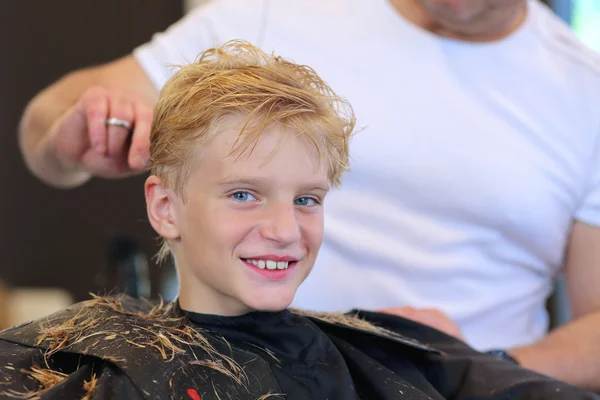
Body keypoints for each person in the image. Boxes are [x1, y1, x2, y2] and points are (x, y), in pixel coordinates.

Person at [17, 0, 600, 390]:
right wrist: (76, 135)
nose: (282, 229)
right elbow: (45, 121)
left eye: (308, 200)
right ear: (164, 207)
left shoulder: (585, 91)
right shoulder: (276, 13)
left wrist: (456, 368)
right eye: (245, 193)